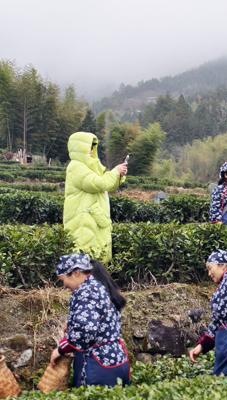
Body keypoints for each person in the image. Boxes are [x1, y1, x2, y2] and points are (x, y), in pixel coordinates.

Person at [50, 254, 130, 388]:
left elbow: (85, 331)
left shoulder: (87, 292)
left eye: (63, 279)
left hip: (98, 365)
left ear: (76, 273)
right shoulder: (98, 287)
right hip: (117, 360)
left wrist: (60, 350)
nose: (64, 285)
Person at [63, 132, 127, 263]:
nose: (92, 151)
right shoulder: (76, 167)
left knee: (96, 260)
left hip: (94, 217)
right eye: (89, 148)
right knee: (85, 259)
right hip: (83, 219)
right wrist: (115, 172)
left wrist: (119, 175)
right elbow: (99, 183)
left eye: (93, 147)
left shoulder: (91, 167)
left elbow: (107, 185)